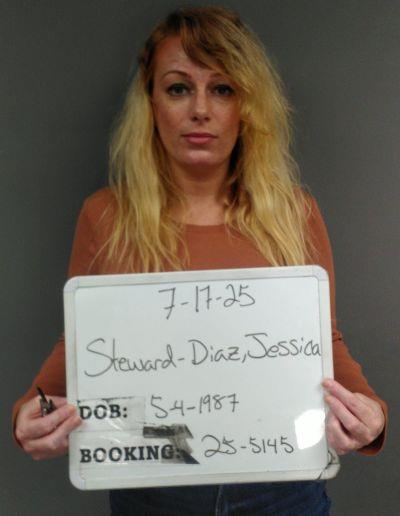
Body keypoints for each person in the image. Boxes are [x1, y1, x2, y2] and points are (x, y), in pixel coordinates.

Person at [13, 6, 387, 515]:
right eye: (178, 88)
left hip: (283, 490)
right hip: (153, 491)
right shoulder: (106, 216)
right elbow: (80, 346)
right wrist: (30, 412)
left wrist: (372, 415)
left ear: (246, 106)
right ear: (151, 102)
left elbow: (324, 342)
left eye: (223, 89)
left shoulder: (293, 214)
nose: (201, 110)